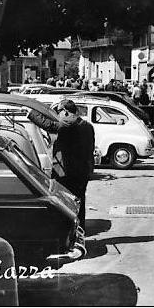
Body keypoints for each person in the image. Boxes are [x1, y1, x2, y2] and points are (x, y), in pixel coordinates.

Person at [52, 99, 96, 234]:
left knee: (66, 203)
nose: (58, 115)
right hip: (83, 171)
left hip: (68, 172)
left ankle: (70, 234)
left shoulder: (68, 125)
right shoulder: (87, 126)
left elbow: (49, 125)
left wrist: (30, 113)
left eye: (59, 112)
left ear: (65, 112)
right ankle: (80, 230)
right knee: (79, 202)